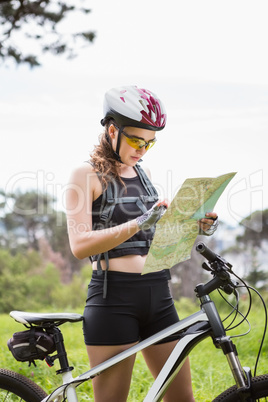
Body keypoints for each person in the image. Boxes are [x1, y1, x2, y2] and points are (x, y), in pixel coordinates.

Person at [66, 85, 218, 402]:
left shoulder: (144, 173)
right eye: (136, 140)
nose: (143, 149)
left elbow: (154, 237)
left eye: (150, 143)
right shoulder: (85, 176)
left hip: (159, 294)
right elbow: (80, 245)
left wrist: (195, 225)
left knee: (181, 399)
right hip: (113, 299)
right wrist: (137, 223)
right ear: (112, 131)